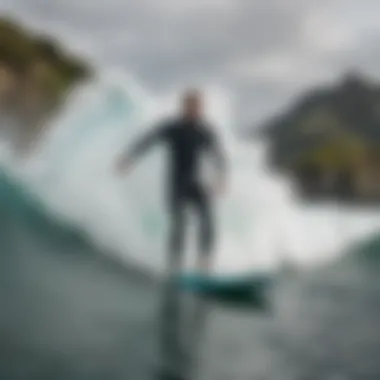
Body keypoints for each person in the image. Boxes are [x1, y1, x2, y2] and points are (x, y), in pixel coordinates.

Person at [116, 89, 227, 276]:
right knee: (179, 223)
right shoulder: (173, 128)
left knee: (208, 218)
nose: (195, 110)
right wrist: (129, 158)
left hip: (195, 183)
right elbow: (148, 140)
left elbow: (218, 155)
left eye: (198, 107)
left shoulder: (204, 131)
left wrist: (221, 177)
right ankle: (174, 266)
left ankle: (204, 263)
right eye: (191, 107)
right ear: (184, 107)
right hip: (176, 185)